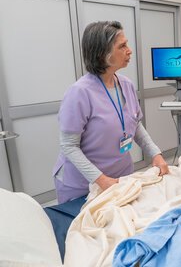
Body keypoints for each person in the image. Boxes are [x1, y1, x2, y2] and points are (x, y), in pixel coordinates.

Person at [52, 21, 169, 204]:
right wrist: (101, 180)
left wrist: (156, 154)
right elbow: (69, 146)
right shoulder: (80, 92)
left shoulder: (126, 85)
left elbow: (135, 124)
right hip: (83, 184)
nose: (129, 50)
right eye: (122, 46)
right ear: (101, 54)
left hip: (120, 177)